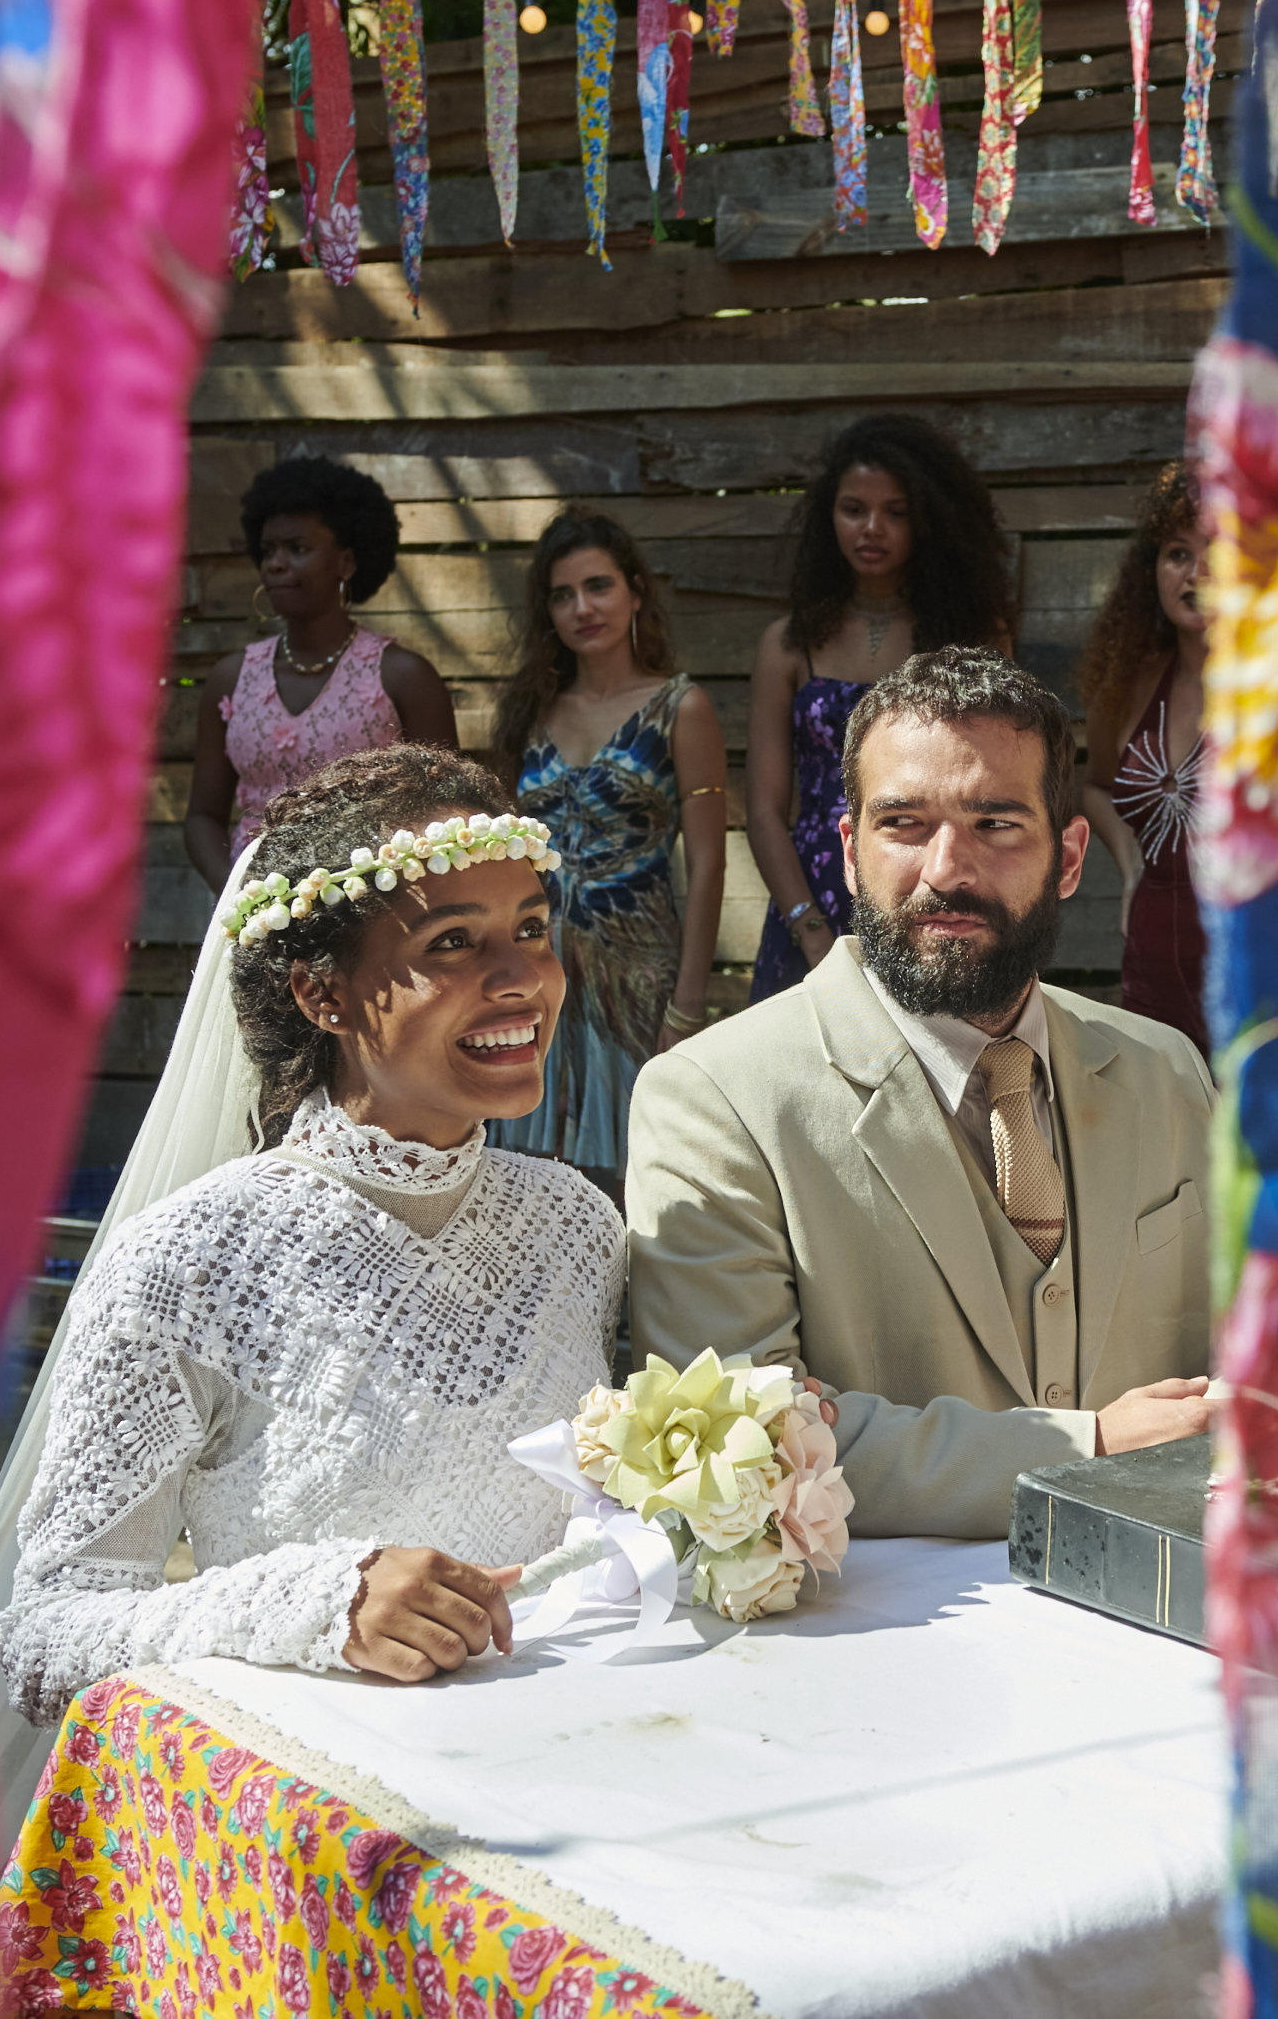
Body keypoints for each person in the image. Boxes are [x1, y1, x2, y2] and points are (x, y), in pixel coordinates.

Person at [0, 748, 622, 1733]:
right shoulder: (188, 1261)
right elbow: (45, 1639)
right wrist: (320, 1603)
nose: (521, 980)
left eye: (532, 930)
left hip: (576, 1747)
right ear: (322, 996)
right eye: (454, 942)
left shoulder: (578, 1225)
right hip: (325, 1791)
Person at [628, 646, 1217, 1539]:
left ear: (1068, 858)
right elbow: (735, 1441)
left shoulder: (1164, 1069)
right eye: (903, 823)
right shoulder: (713, 1099)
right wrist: (1089, 1444)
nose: (946, 869)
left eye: (995, 823)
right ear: (849, 852)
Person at [487, 511, 728, 1192]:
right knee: (525, 1179)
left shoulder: (681, 707)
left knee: (642, 1177)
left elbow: (709, 863)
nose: (582, 608)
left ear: (635, 592)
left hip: (639, 982)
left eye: (598, 586)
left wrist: (687, 1004)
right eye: (562, 595)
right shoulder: (528, 712)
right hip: (536, 977)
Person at [743, 417, 1017, 1001]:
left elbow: (995, 784)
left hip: (931, 884)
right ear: (828, 517)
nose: (872, 528)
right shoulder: (788, 644)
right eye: (854, 509)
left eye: (896, 511)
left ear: (929, 521)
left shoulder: (973, 637)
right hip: (810, 895)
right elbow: (764, 811)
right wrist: (808, 928)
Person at [181, 457, 459, 879]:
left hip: (369, 900)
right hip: (250, 906)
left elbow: (446, 808)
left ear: (346, 563)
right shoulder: (232, 679)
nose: (275, 563)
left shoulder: (403, 678)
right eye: (268, 551)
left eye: (297, 549)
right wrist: (235, 895)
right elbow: (203, 816)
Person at [1077, 462, 1209, 1054]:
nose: (1198, 574)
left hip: (1260, 967)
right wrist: (1131, 865)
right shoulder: (1128, 684)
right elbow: (1096, 787)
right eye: (1178, 553)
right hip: (1153, 960)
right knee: (1161, 1105)